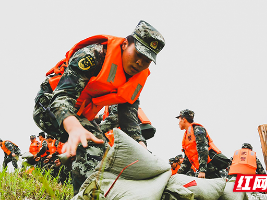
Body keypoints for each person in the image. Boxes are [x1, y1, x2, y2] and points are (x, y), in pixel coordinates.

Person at [33, 20, 165, 194]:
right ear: (125, 44)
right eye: (138, 54)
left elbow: (129, 116)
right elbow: (62, 97)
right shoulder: (93, 54)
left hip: (82, 114)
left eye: (147, 60)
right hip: (50, 105)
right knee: (92, 147)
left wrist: (141, 145)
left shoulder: (138, 77)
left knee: (105, 152)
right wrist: (74, 128)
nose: (140, 63)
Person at [176, 109, 229, 179]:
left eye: (179, 119)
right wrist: (177, 176)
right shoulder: (186, 137)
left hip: (212, 169)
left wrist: (202, 170)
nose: (178, 122)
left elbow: (203, 149)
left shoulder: (197, 129)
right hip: (205, 171)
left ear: (184, 119)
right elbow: (187, 160)